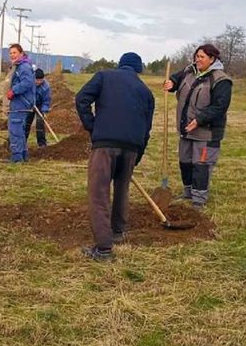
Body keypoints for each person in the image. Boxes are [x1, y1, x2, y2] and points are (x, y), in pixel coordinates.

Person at [75, 52, 155, 261]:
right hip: (132, 147)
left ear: (120, 65)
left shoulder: (104, 76)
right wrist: (136, 157)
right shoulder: (146, 92)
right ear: (138, 69)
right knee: (122, 189)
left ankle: (103, 249)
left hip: (105, 145)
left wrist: (92, 127)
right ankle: (118, 231)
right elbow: (147, 129)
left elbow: (81, 98)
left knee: (98, 193)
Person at [163, 43, 232, 210]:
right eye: (196, 56)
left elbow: (220, 106)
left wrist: (200, 119)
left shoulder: (221, 80)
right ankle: (188, 192)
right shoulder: (190, 71)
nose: (197, 59)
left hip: (206, 133)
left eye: (201, 57)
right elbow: (177, 78)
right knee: (185, 162)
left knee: (201, 165)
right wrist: (171, 83)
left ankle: (198, 199)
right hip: (186, 129)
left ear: (212, 59)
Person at [5, 43, 35, 163]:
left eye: (15, 53)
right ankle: (23, 156)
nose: (12, 55)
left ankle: (17, 158)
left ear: (21, 53)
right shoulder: (18, 66)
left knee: (15, 130)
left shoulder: (23, 67)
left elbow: (27, 82)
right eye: (11, 53)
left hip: (20, 103)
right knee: (20, 131)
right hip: (18, 102)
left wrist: (14, 90)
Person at [24, 68, 52, 147]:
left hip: (40, 105)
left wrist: (44, 111)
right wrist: (29, 102)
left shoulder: (46, 87)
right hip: (29, 104)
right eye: (37, 80)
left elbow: (46, 101)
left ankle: (42, 143)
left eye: (40, 80)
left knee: (40, 123)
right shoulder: (29, 83)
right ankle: (23, 141)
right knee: (26, 123)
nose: (38, 82)